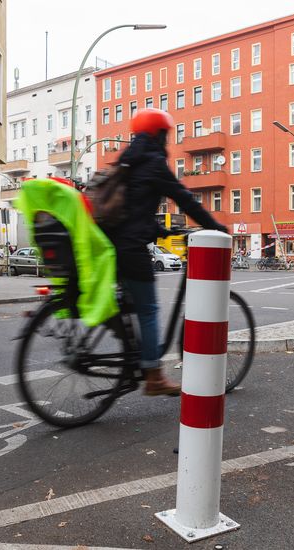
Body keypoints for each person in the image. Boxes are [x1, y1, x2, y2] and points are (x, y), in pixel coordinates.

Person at [105, 108, 228, 396]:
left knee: (129, 306)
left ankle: (131, 356)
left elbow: (133, 213)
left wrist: (163, 231)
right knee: (148, 310)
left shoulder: (128, 161)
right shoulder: (153, 163)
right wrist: (215, 226)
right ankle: (154, 376)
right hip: (131, 249)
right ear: (160, 134)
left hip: (111, 245)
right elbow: (184, 198)